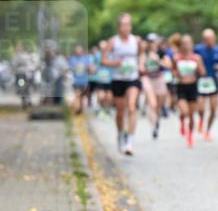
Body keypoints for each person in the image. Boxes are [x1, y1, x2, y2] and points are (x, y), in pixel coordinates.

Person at [102, 13, 144, 156]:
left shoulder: (136, 41)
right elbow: (104, 60)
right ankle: (120, 133)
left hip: (133, 78)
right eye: (123, 25)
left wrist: (141, 65)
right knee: (120, 112)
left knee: (132, 107)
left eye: (128, 24)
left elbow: (142, 54)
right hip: (118, 78)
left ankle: (129, 141)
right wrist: (114, 63)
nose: (126, 27)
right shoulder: (113, 42)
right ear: (119, 27)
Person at [172, 34, 206, 148]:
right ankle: (182, 121)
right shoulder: (176, 58)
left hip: (192, 87)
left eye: (188, 43)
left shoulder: (196, 58)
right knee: (184, 112)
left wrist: (198, 69)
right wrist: (177, 74)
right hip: (181, 87)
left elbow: (203, 72)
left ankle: (190, 136)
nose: (186, 45)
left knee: (191, 115)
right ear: (181, 45)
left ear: (192, 45)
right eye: (184, 43)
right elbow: (174, 72)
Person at [194, 28, 218, 141]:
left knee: (213, 109)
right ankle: (201, 120)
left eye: (210, 38)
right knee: (201, 108)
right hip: (201, 81)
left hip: (213, 82)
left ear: (214, 38)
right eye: (206, 38)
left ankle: (208, 130)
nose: (208, 40)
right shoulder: (198, 49)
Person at [140, 35, 170, 139]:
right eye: (149, 41)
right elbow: (141, 68)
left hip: (159, 79)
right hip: (147, 79)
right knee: (152, 104)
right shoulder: (143, 53)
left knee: (158, 106)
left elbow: (169, 65)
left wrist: (158, 60)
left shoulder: (161, 53)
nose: (151, 43)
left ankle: (156, 121)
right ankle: (153, 127)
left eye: (153, 41)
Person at [68, 45, 93, 114]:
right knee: (78, 96)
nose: (78, 52)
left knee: (81, 97)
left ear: (82, 51)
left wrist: (87, 68)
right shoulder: (72, 59)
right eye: (77, 50)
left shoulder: (86, 59)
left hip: (84, 81)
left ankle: (78, 109)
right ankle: (75, 109)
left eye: (79, 50)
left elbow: (90, 69)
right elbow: (70, 69)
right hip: (75, 81)